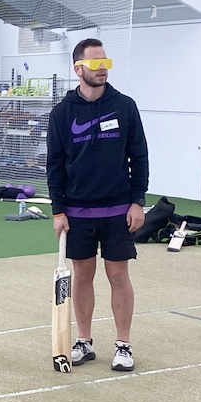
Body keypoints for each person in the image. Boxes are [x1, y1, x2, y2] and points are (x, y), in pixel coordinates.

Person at [47, 39, 149, 372]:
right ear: (78, 69)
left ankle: (123, 345)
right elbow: (55, 165)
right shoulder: (62, 113)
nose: (102, 68)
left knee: (118, 276)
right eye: (94, 63)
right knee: (82, 276)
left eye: (105, 61)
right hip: (77, 212)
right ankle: (84, 342)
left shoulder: (125, 106)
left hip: (118, 209)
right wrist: (58, 211)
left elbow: (140, 156)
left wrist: (137, 201)